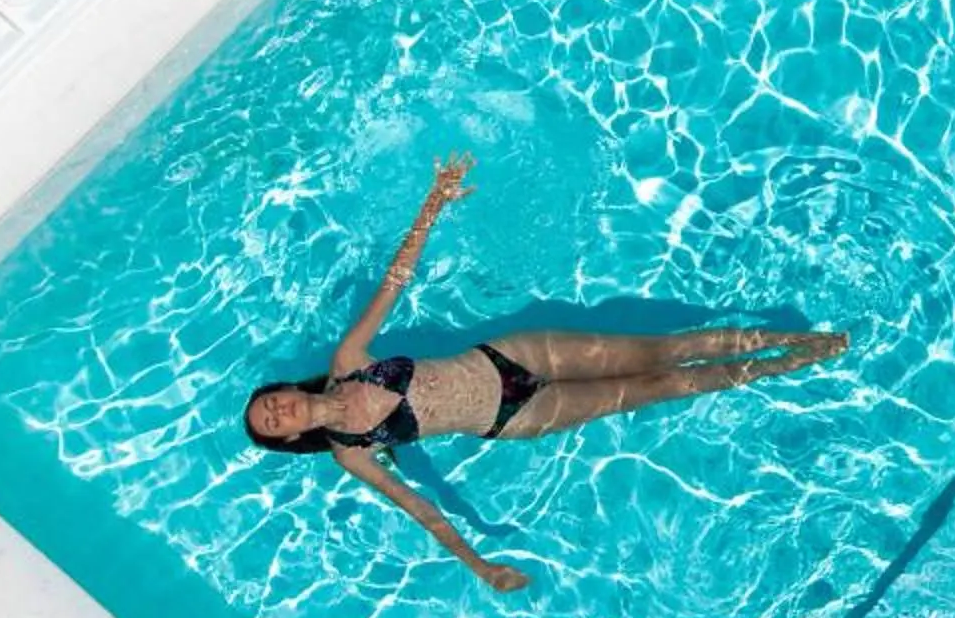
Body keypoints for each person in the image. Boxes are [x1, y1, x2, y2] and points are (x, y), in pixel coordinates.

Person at [240, 154, 845, 593]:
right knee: (658, 388)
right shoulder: (352, 453)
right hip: (515, 417)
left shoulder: (349, 362)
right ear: (290, 438)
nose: (278, 412)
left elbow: (394, 285)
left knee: (662, 352)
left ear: (287, 390)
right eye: (272, 425)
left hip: (515, 357)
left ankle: (791, 340)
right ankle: (782, 364)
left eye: (270, 403)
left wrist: (432, 205)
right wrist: (479, 566)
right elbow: (419, 507)